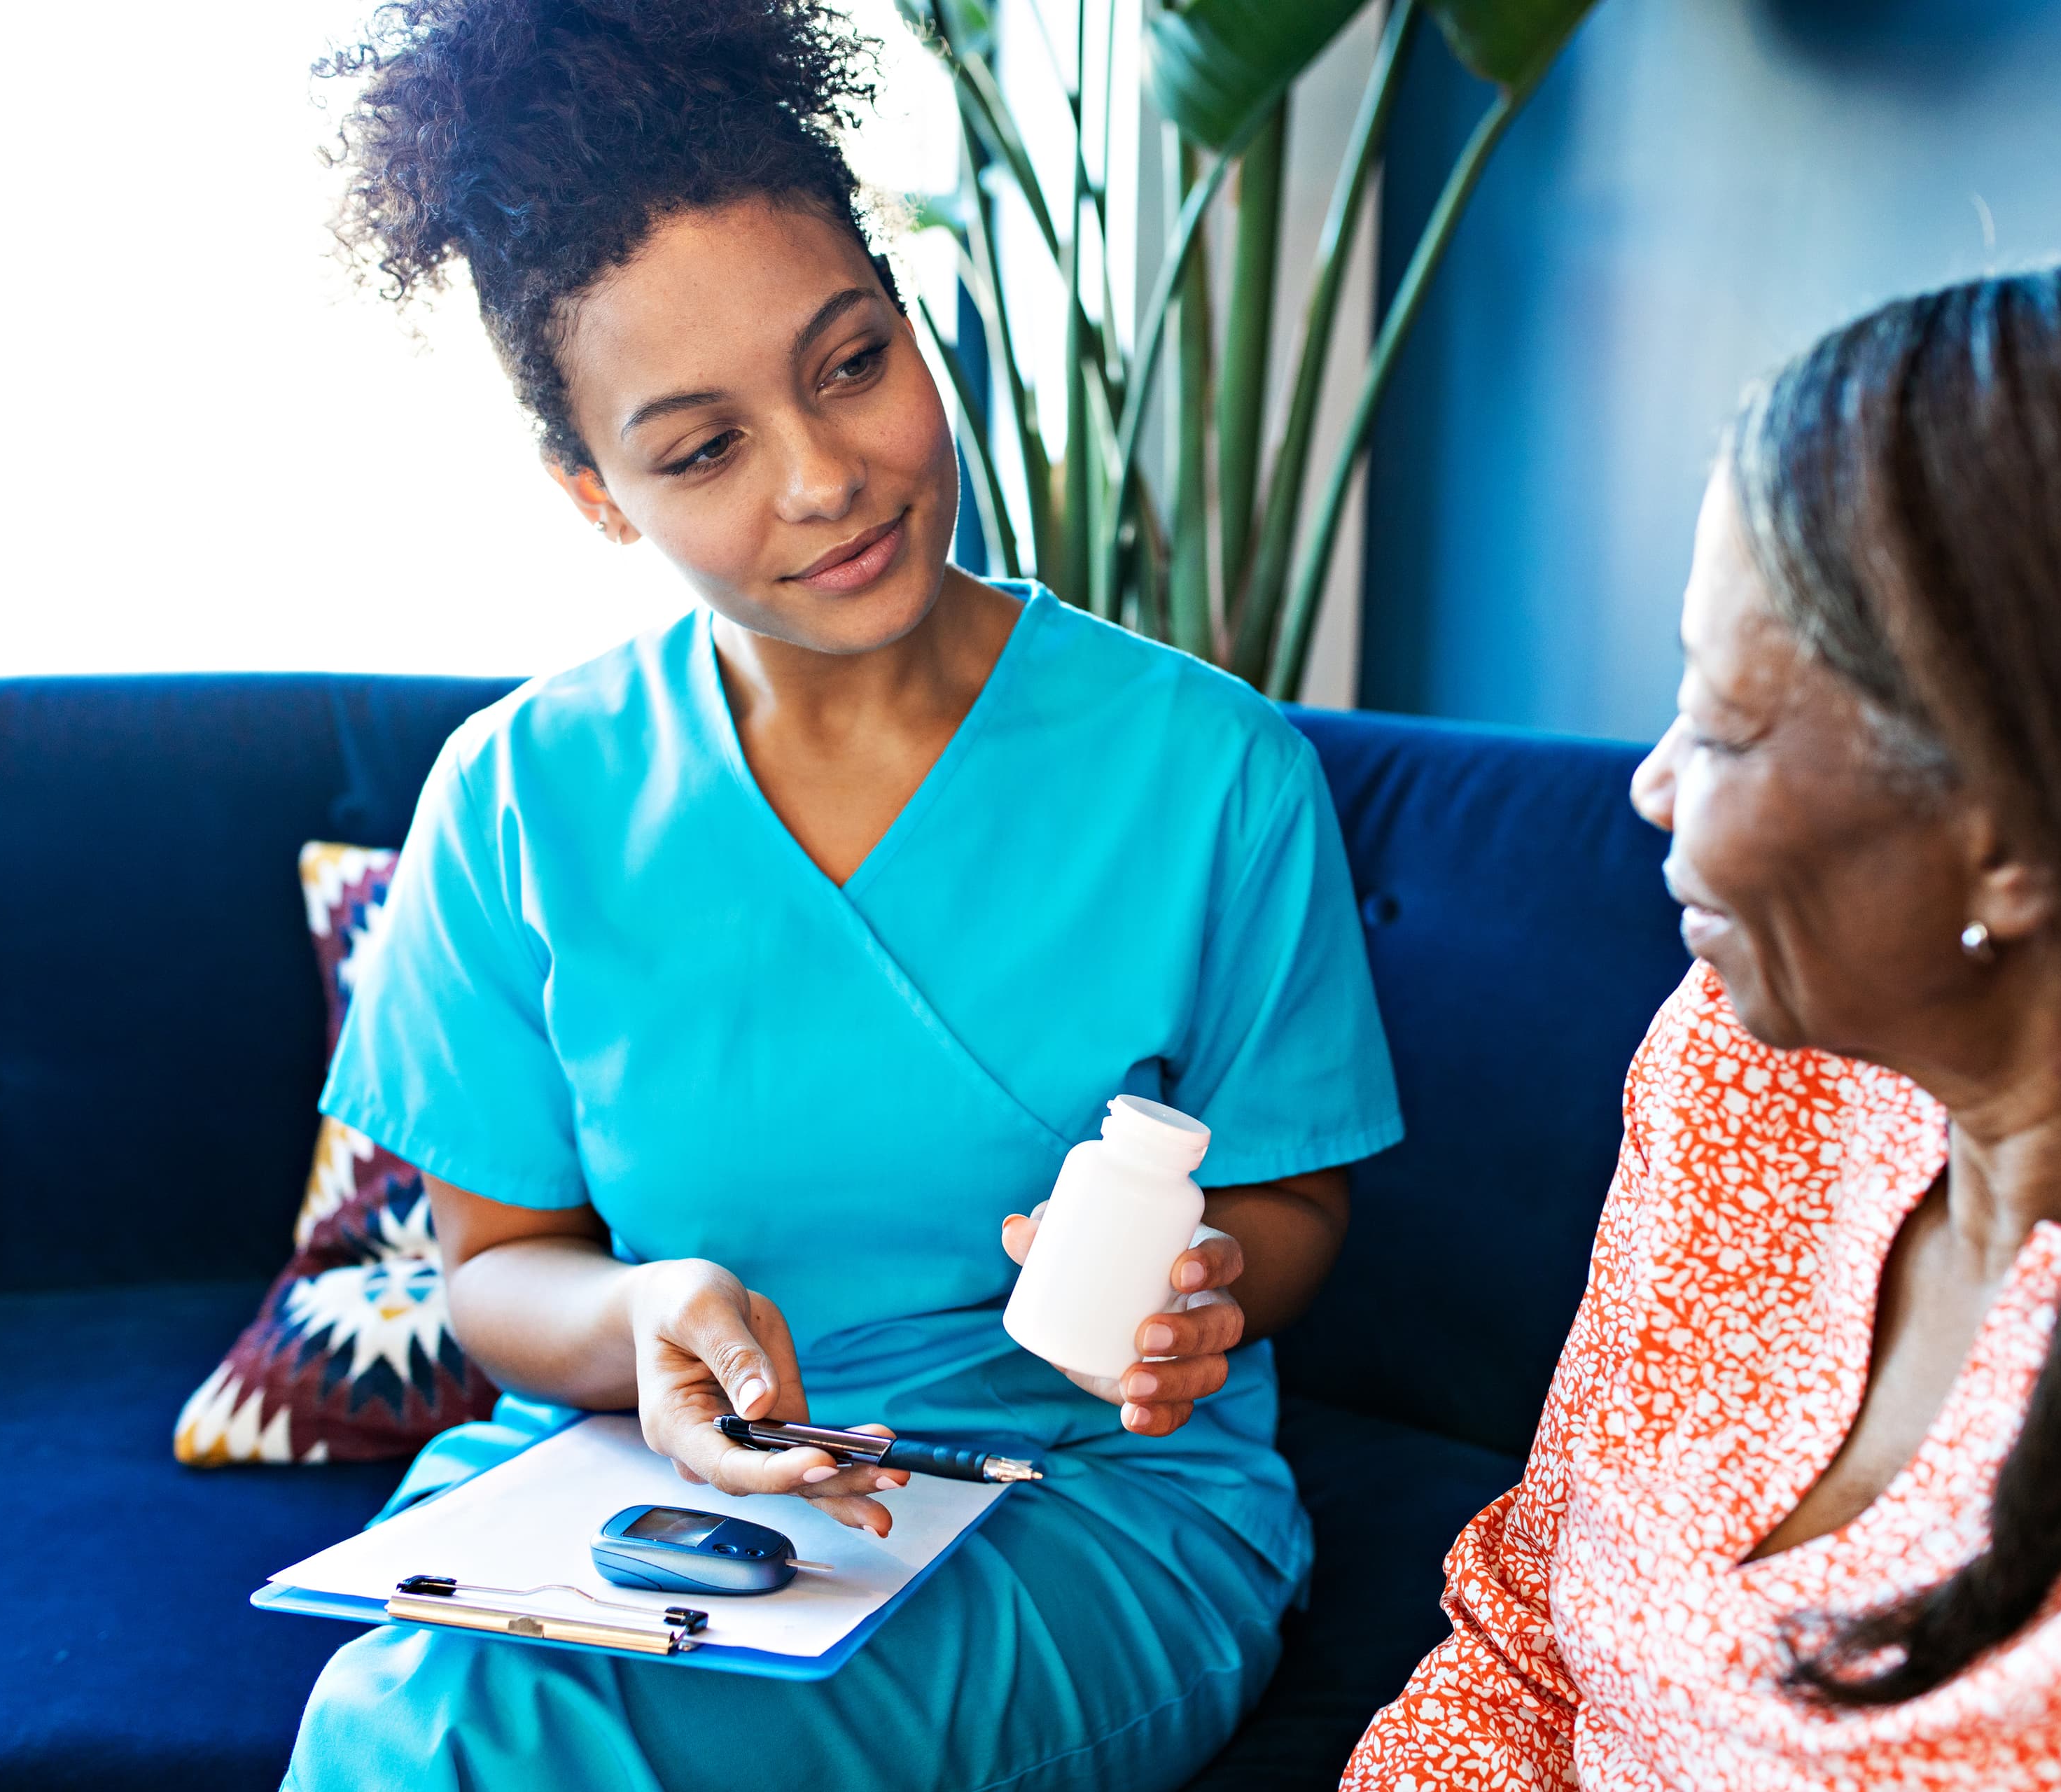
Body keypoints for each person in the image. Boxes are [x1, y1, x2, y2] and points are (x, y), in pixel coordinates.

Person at [282, 4, 1402, 1787]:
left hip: (1085, 1500)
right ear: (594, 491)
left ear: (907, 314)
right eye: (702, 450)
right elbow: (497, 1272)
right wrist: (640, 1320)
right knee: (423, 1720)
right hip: (651, 1495)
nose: (825, 478)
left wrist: (1204, 1286)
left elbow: (1295, 1201)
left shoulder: (1215, 771)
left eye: (851, 362)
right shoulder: (516, 798)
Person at [1346, 258, 2061, 1789]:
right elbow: (1522, 1638)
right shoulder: (1752, 1063)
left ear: (2019, 832)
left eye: (1727, 723)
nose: (1655, 785)